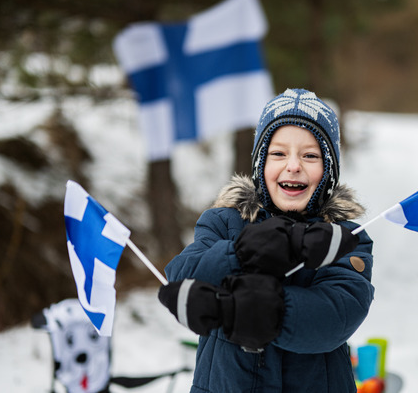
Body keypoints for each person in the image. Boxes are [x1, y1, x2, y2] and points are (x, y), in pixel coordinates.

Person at [158, 88, 374, 392]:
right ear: (261, 164)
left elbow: (337, 314)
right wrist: (243, 252)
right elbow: (183, 276)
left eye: (310, 155)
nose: (293, 165)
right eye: (278, 153)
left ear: (328, 170)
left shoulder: (343, 238)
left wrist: (254, 310)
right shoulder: (224, 221)